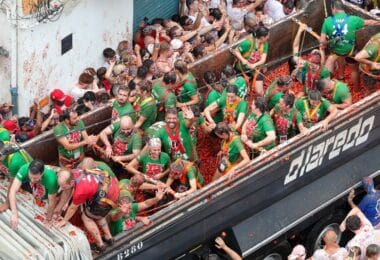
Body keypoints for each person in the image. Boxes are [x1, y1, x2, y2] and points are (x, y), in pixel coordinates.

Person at [55, 165, 120, 253]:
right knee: (99, 215)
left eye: (63, 186)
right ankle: (108, 237)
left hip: (107, 197)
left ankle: (100, 244)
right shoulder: (74, 172)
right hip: (110, 185)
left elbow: (72, 208)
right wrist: (60, 206)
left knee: (86, 217)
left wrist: (64, 221)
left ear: (71, 183)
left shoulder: (80, 191)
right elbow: (68, 190)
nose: (61, 189)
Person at [320, 0, 380, 86]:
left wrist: (326, 38)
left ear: (334, 9)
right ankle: (356, 89)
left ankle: (338, 79)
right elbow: (369, 22)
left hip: (336, 51)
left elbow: (322, 43)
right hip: (350, 51)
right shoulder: (354, 19)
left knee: (336, 58)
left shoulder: (327, 21)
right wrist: (378, 22)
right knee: (354, 70)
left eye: (332, 10)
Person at [8, 160, 59, 229]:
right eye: (30, 177)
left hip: (47, 195)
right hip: (34, 191)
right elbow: (12, 190)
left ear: (42, 173)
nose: (32, 180)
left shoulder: (51, 179)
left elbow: (52, 202)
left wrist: (48, 219)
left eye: (35, 178)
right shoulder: (24, 169)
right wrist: (14, 213)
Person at [292, 23, 330, 94]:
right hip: (308, 89)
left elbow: (295, 47)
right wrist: (300, 31)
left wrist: (299, 31)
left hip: (316, 94)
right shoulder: (311, 65)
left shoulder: (309, 65)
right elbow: (296, 47)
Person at [232, 25, 269, 96]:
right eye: (267, 36)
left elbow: (263, 59)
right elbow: (236, 51)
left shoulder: (265, 44)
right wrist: (243, 60)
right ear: (262, 37)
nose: (268, 37)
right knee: (240, 90)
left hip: (256, 69)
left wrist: (254, 65)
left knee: (259, 92)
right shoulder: (248, 43)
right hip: (242, 69)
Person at [0, 140, 33, 212]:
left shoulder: (14, 163)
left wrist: (7, 203)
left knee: (29, 194)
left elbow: (12, 185)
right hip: (19, 167)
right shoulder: (5, 144)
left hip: (29, 178)